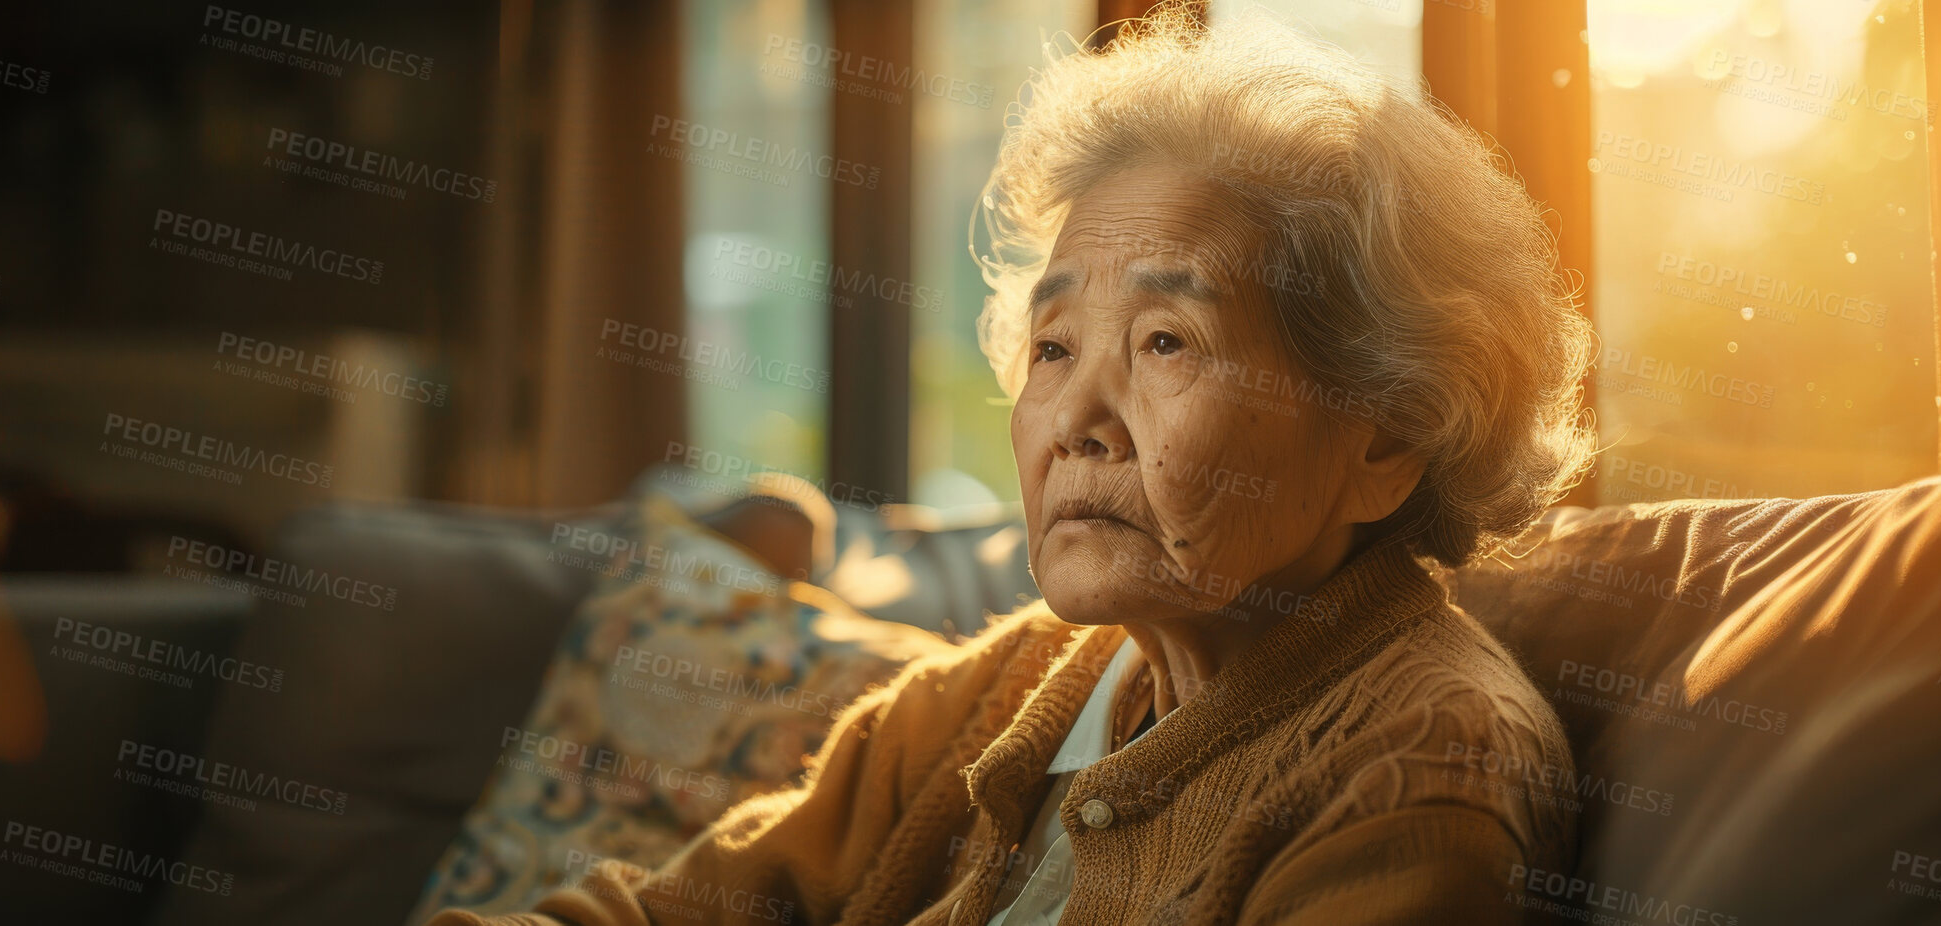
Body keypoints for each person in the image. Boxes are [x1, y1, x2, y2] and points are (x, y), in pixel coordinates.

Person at [435, 5, 1592, 923]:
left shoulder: (1420, 769)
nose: (1074, 417)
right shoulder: (1014, 687)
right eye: (1050, 346)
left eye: (1164, 343)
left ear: (1384, 434)